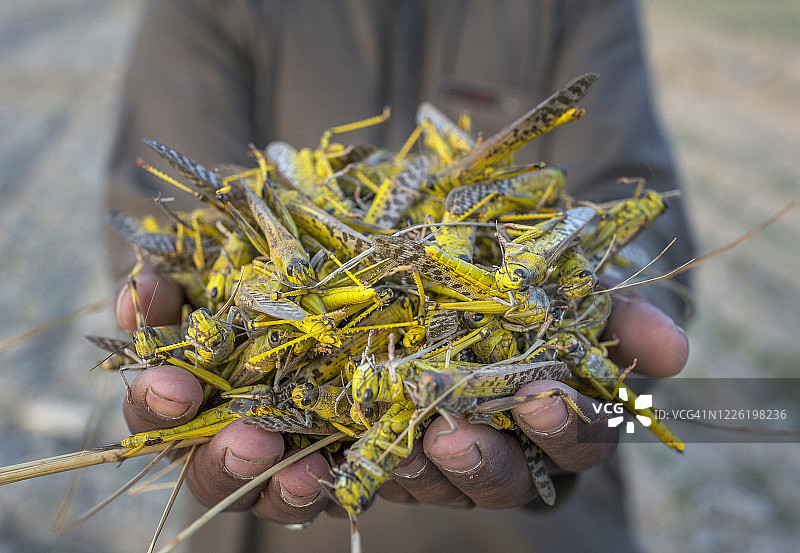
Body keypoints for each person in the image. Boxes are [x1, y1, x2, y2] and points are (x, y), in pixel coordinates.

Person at [107, 1, 694, 551]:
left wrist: (616, 283)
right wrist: (172, 305)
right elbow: (176, 218)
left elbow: (624, 204)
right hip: (273, 522)